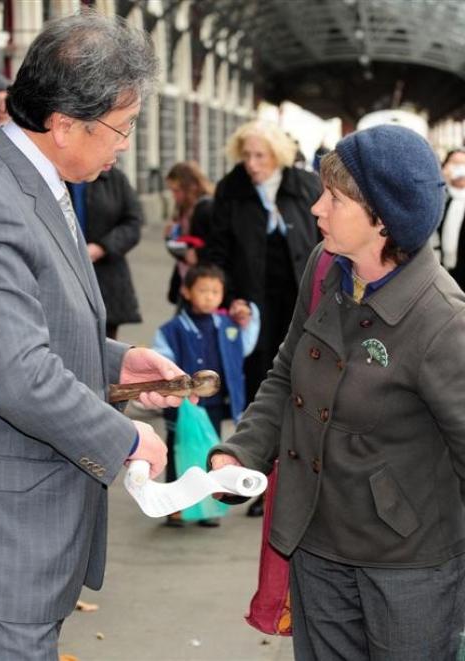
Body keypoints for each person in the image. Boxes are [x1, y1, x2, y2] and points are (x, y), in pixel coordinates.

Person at [0, 12, 194, 660]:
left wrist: (116, 363)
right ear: (64, 123)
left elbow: (24, 325)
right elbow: (14, 372)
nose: (125, 145)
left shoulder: (37, 179)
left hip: (31, 529)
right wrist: (125, 436)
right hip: (6, 540)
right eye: (121, 128)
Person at [210, 124, 465, 660]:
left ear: (383, 219)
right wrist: (240, 451)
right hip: (316, 541)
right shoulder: (325, 267)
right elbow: (288, 371)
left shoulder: (444, 321)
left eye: (335, 198)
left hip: (406, 565)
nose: (318, 209)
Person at [207, 119, 321, 516]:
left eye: (260, 155)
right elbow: (217, 252)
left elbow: (324, 239)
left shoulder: (304, 187)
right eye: (247, 155)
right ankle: (261, 481)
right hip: (254, 307)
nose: (252, 164)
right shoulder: (231, 191)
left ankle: (300, 477)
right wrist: (230, 298)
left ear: (278, 156)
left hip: (301, 301)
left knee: (305, 384)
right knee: (263, 389)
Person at [153, 264, 260, 527]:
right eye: (203, 290)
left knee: (211, 452)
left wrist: (250, 315)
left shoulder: (228, 326)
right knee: (179, 451)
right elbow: (161, 359)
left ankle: (208, 506)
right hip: (180, 405)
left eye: (216, 291)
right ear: (186, 291)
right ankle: (176, 506)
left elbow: (244, 347)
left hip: (213, 404)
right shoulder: (172, 329)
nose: (210, 296)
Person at [68, 166, 144, 339]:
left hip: (107, 276)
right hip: (65, 271)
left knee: (105, 344)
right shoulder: (58, 175)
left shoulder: (115, 179)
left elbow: (134, 223)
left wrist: (102, 248)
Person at [165, 161, 214, 304]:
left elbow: (217, 242)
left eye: (176, 191)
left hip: (202, 279)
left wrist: (198, 254)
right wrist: (170, 236)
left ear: (191, 187)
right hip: (186, 277)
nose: (173, 196)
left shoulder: (206, 208)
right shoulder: (183, 209)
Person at [433, 147, 465, 289]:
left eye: (463, 164)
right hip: (441, 273)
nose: (460, 169)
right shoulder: (438, 199)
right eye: (454, 163)